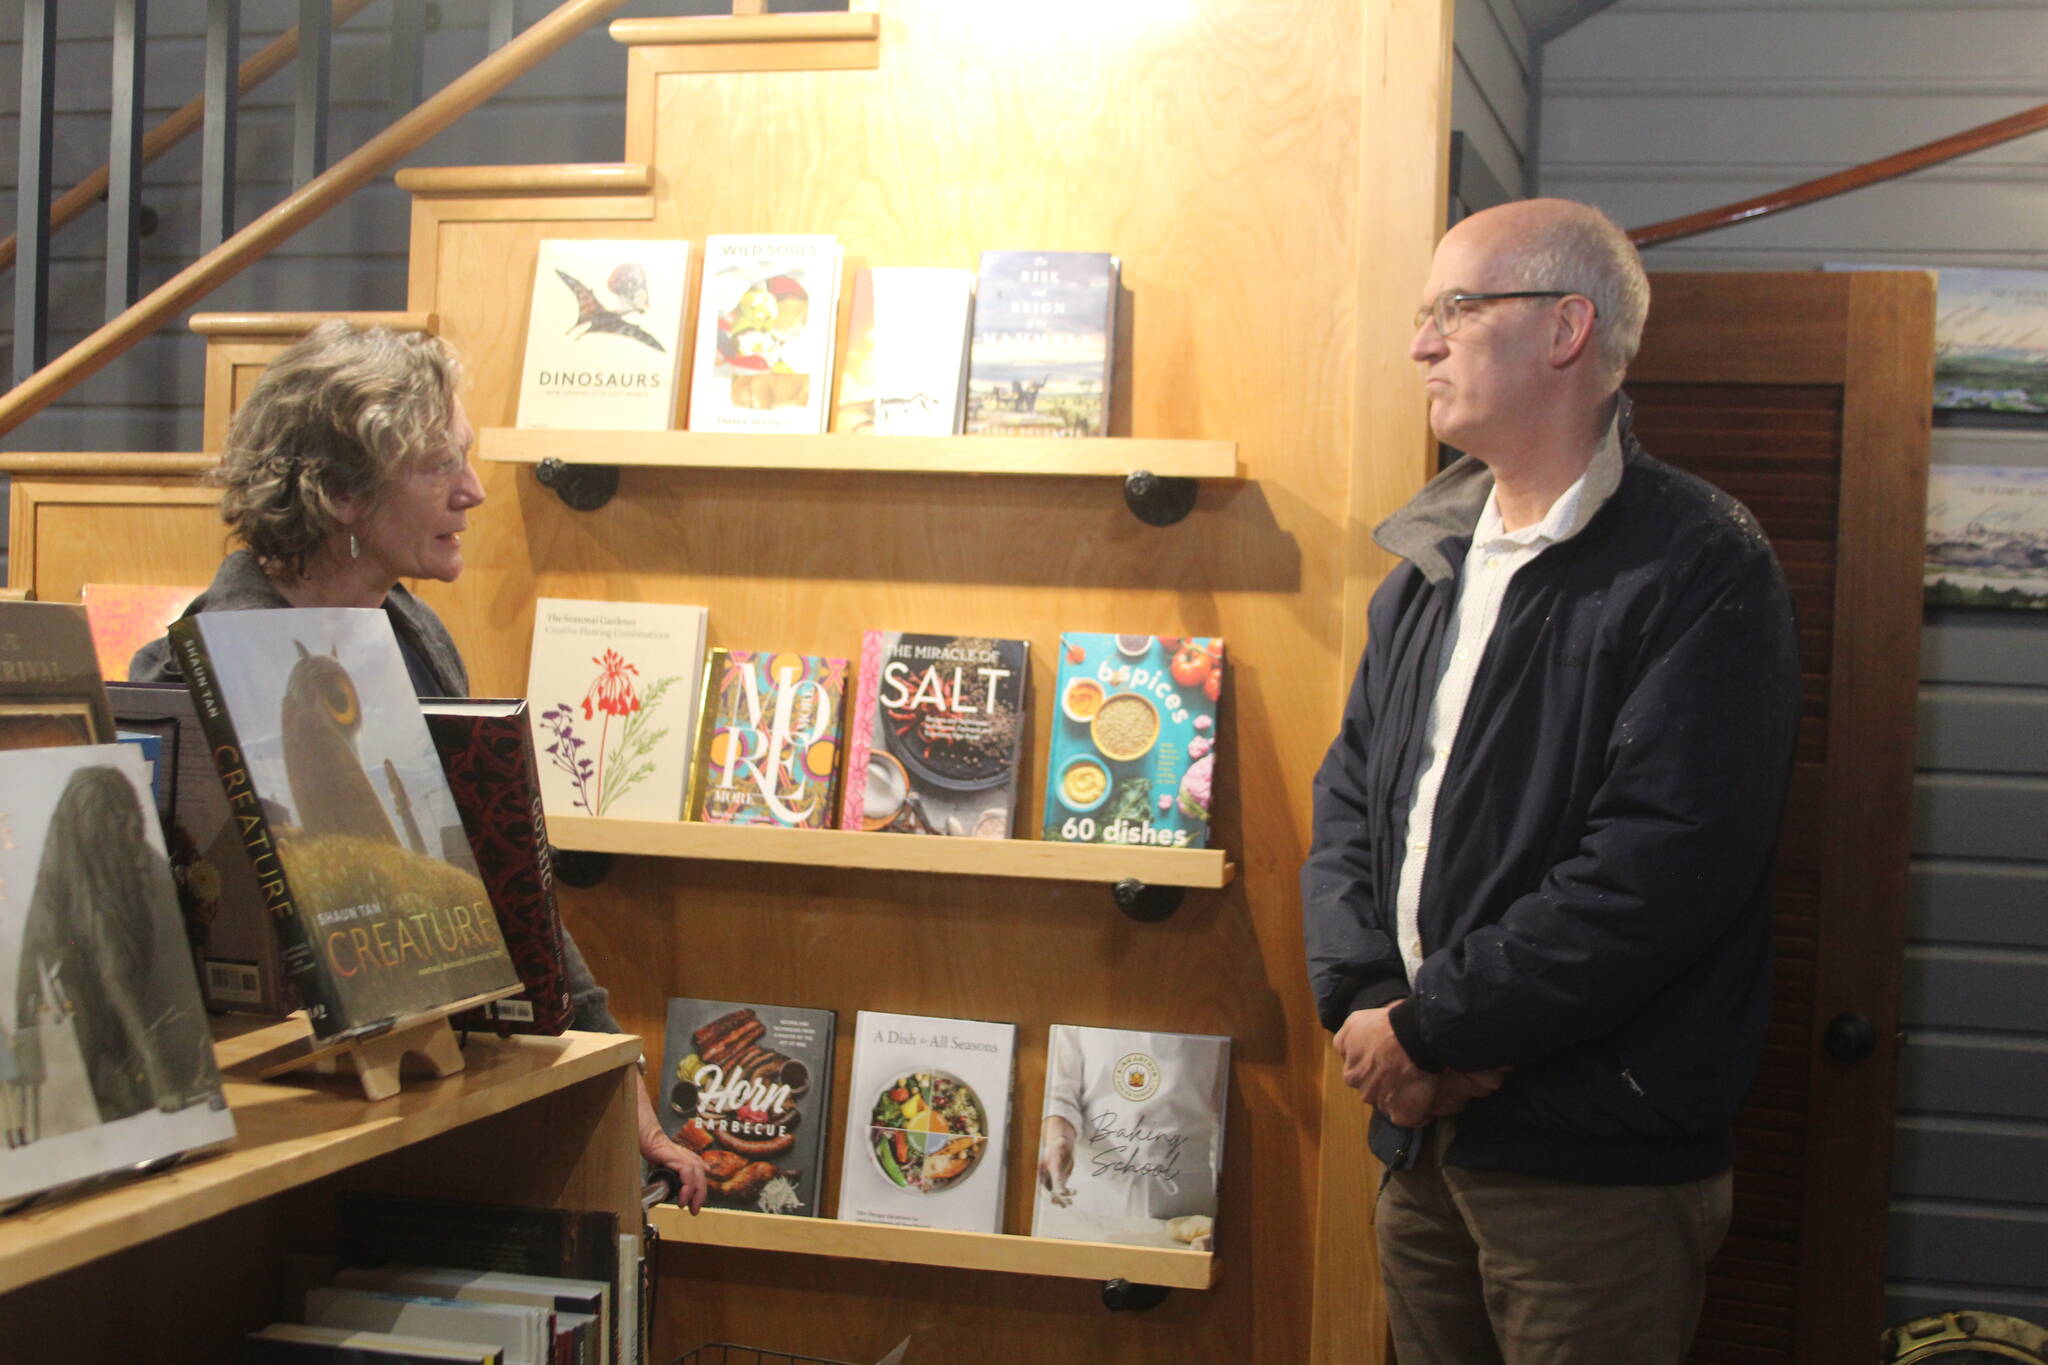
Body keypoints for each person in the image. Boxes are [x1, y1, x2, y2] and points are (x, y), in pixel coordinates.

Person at [1300, 199, 1801, 1364]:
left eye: (1453, 310)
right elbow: (1348, 813)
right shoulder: (1424, 567)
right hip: (1419, 1138)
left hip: (1591, 1164)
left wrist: (1432, 1028)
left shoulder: (1701, 567)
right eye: (1422, 315)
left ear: (1566, 328)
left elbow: (1660, 867)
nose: (1419, 344)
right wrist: (1369, 1012)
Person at [131, 320, 709, 1213]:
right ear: (338, 492)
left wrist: (609, 1055)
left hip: (427, 1099)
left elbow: (498, 873)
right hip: (275, 1146)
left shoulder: (411, 629)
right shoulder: (191, 670)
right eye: (440, 466)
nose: (473, 491)